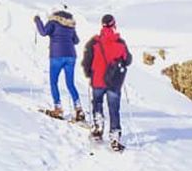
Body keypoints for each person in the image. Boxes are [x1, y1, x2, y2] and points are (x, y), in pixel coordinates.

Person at [81, 14, 133, 151]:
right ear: (114, 24)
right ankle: (115, 137)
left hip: (98, 80)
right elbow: (128, 60)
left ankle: (98, 127)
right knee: (114, 109)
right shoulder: (120, 43)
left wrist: (89, 74)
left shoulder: (94, 42)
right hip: (113, 82)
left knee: (97, 103)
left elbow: (86, 61)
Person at [34, 8, 83, 121]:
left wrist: (37, 20)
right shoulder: (70, 25)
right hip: (71, 56)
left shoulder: (53, 23)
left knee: (54, 82)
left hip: (57, 56)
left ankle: (58, 108)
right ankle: (79, 109)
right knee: (70, 84)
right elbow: (76, 41)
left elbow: (43, 32)